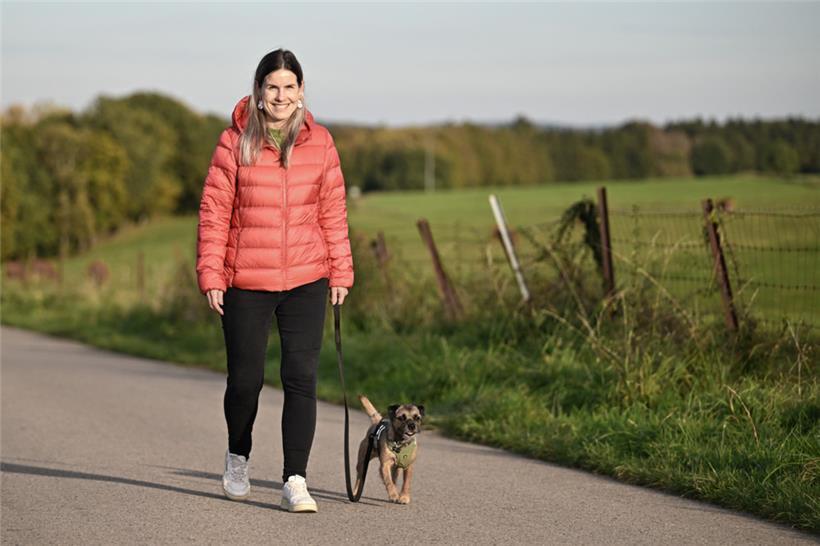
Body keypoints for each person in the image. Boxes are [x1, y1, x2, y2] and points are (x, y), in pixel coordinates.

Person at [195, 48, 354, 513]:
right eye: (272, 87)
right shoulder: (233, 141)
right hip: (246, 278)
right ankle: (237, 455)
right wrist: (211, 272)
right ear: (259, 91)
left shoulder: (321, 142)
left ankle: (295, 479)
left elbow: (333, 210)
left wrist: (341, 269)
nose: (281, 96)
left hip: (307, 277)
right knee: (245, 380)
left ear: (301, 91)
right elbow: (214, 212)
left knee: (301, 378)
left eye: (289, 87)